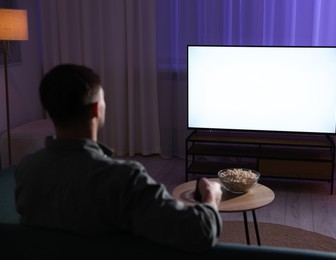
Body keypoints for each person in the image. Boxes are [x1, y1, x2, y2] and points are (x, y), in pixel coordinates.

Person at [14, 64, 223, 252]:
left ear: (50, 111)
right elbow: (200, 232)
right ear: (97, 109)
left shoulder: (27, 169)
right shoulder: (124, 178)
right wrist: (210, 197)